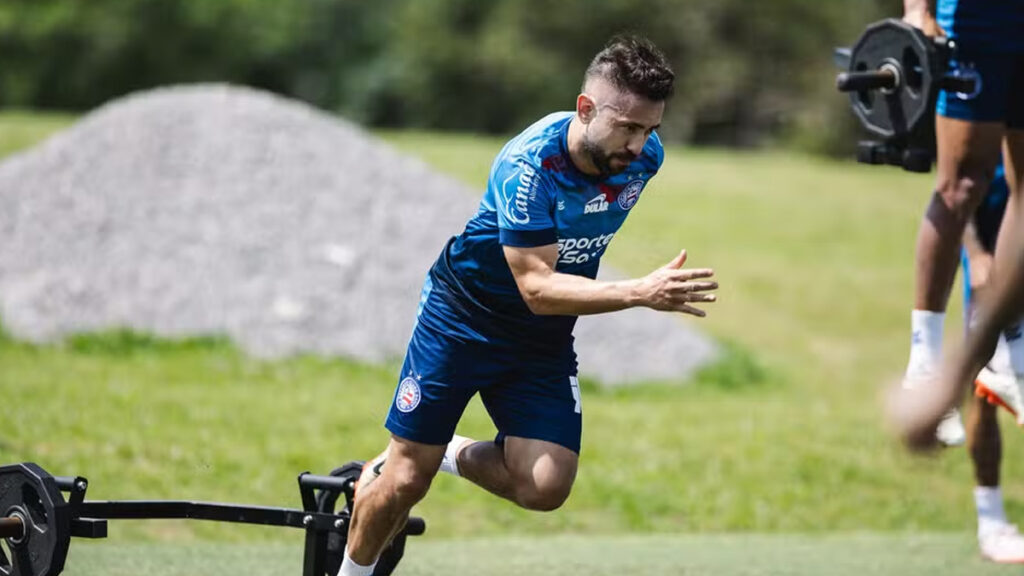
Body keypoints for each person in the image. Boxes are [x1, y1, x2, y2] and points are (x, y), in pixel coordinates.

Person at [337, 35, 718, 576]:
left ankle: (446, 451)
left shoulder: (641, 161)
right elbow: (537, 288)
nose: (639, 146)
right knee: (403, 481)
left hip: (540, 338)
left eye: (651, 129)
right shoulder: (529, 166)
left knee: (545, 486)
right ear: (585, 109)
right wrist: (639, 291)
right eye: (628, 127)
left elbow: (553, 287)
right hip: (463, 318)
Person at [898, 0, 1024, 446]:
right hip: (979, 19)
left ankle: (1012, 353)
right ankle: (925, 362)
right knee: (962, 185)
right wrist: (918, 10)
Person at [958, 164, 1024, 563]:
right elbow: (953, 188)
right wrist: (976, 254)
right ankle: (992, 524)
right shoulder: (993, 108)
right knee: (984, 388)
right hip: (992, 269)